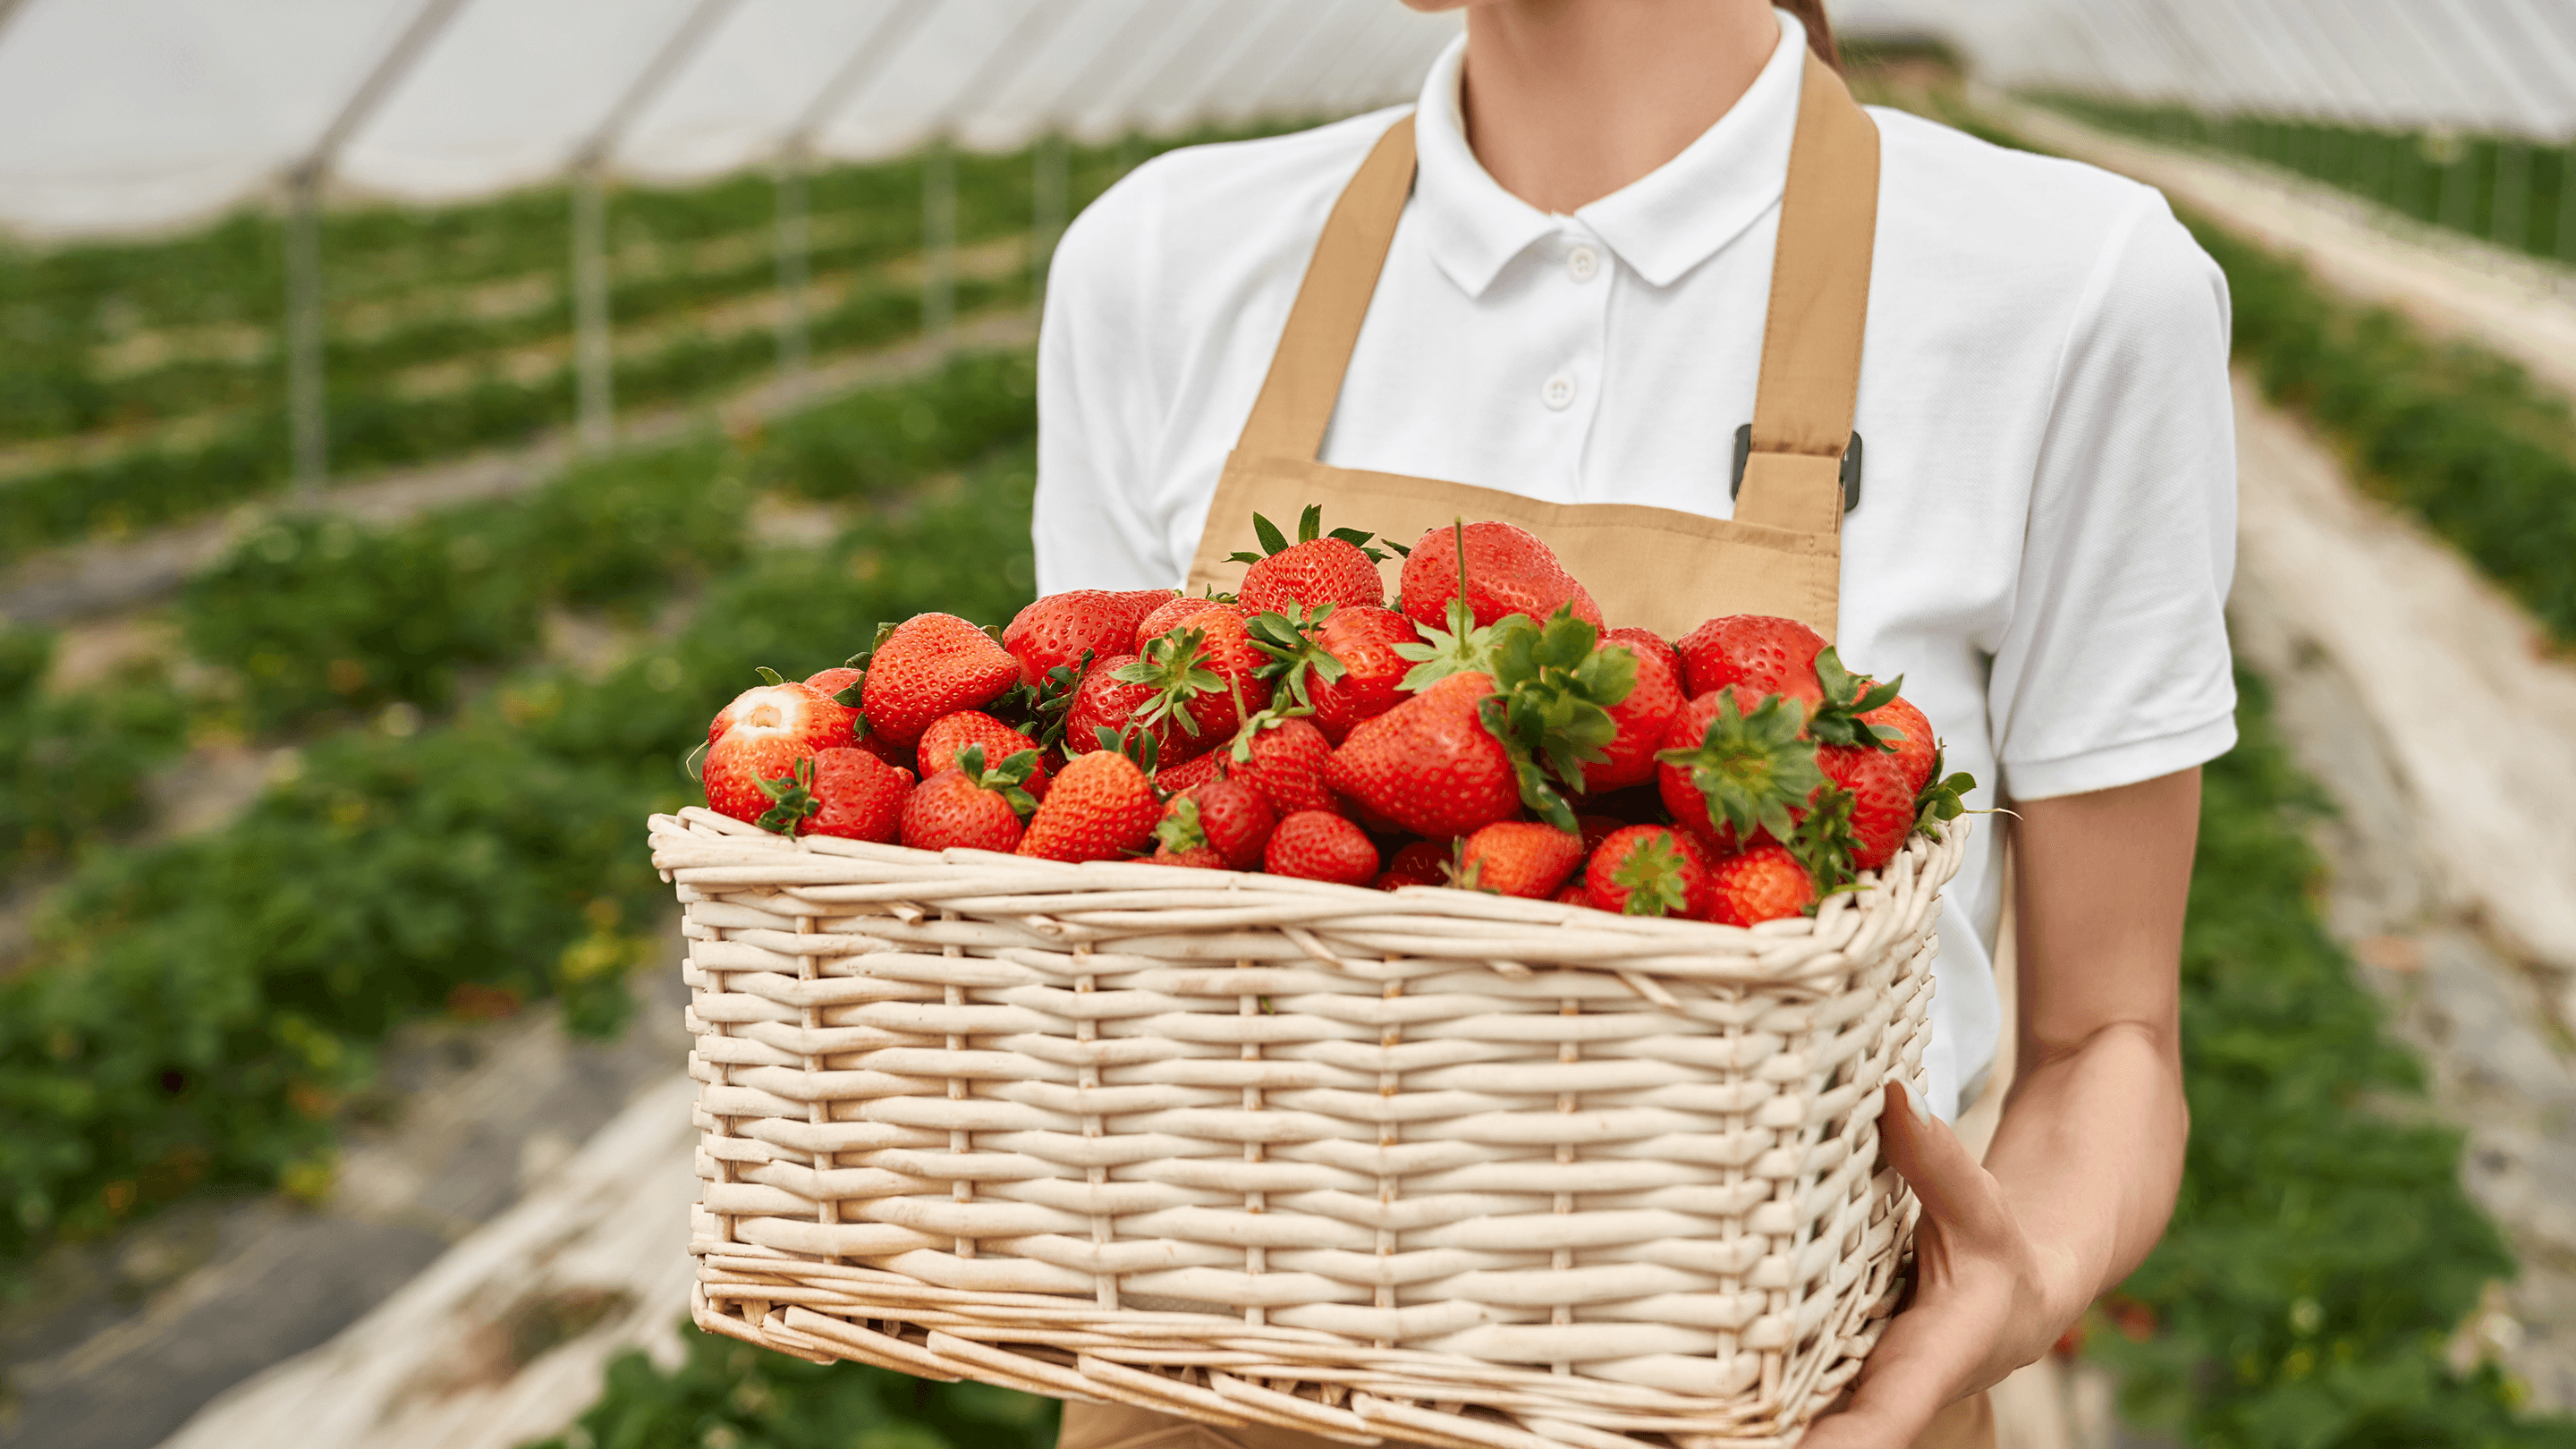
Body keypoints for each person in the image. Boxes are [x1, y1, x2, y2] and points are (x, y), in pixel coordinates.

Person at [1031, 1, 2230, 1445]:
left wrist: (2023, 1275)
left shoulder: (2076, 286)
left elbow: (2110, 1034)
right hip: (1206, 1379)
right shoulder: (1158, 258)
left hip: (1783, 1401)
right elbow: (1085, 902)